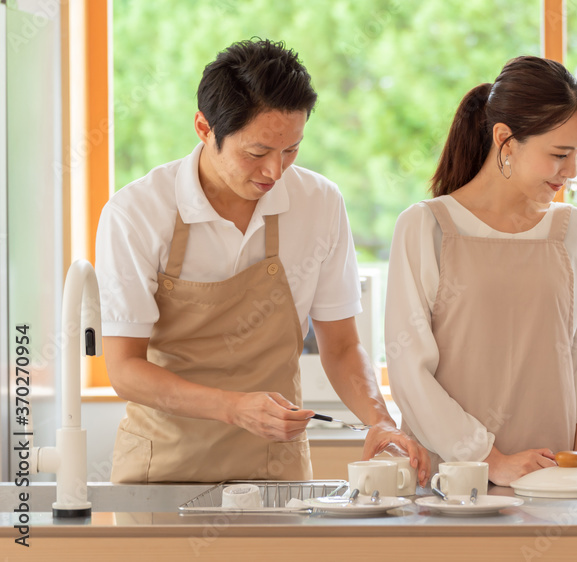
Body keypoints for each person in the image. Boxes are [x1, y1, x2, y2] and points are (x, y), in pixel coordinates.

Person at [97, 38, 428, 483]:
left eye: (291, 150)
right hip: (163, 470)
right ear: (204, 127)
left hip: (276, 471)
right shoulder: (137, 212)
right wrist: (233, 407)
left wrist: (379, 420)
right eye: (256, 153)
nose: (275, 171)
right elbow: (125, 370)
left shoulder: (319, 203)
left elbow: (343, 346)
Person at [384, 56, 577, 486]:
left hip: (552, 485)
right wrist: (493, 460)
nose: (572, 171)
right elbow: (409, 373)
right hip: (450, 486)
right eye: (560, 154)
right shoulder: (426, 227)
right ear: (505, 140)